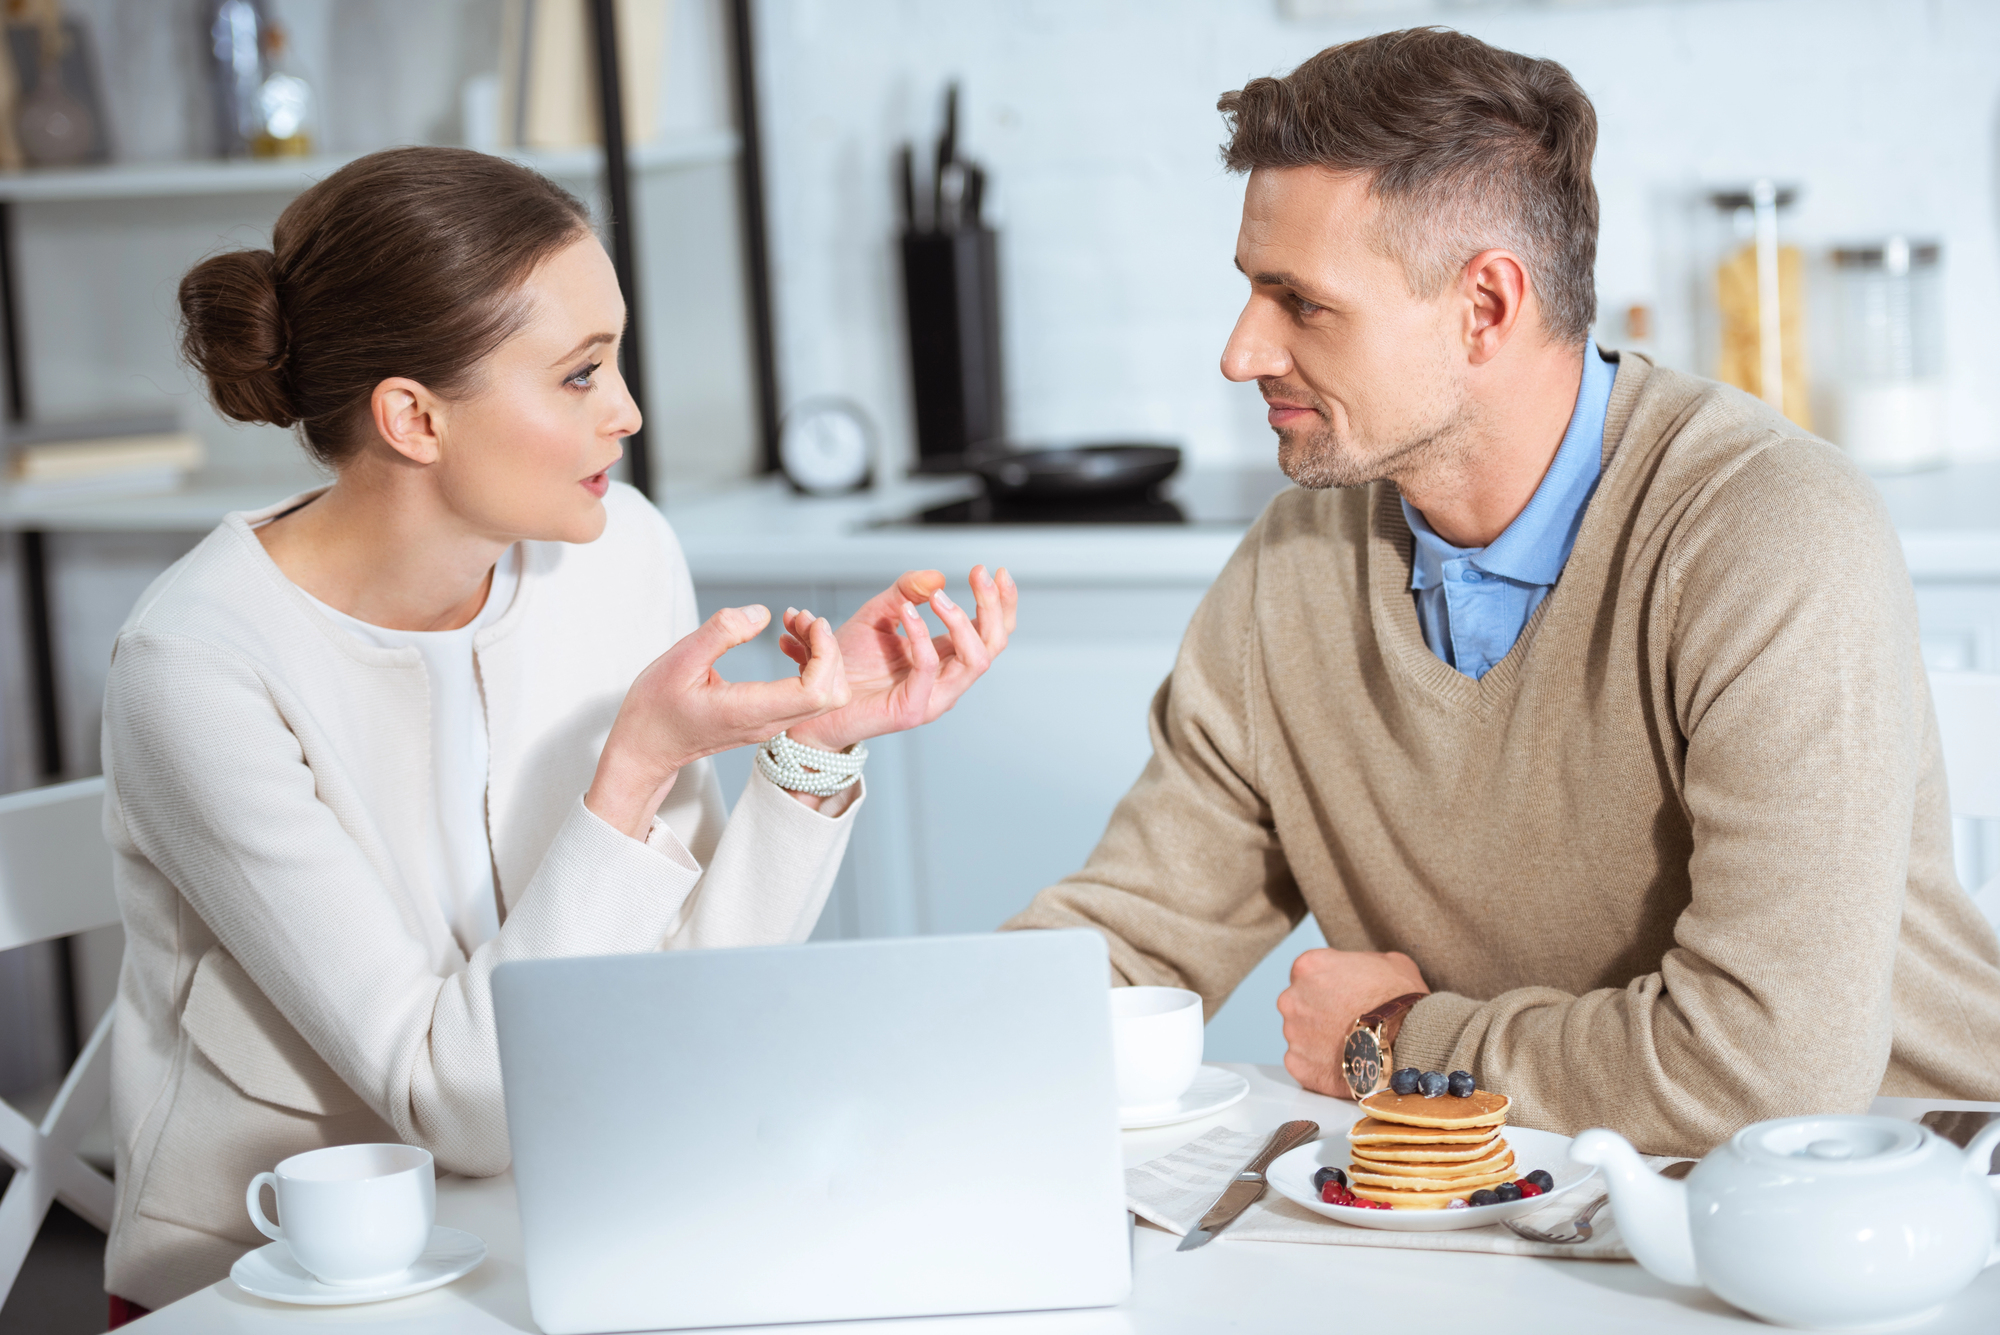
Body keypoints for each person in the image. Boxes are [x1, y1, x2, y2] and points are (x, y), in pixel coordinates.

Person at [1008, 27, 2000, 1154]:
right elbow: (1135, 933)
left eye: (1300, 302)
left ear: (1485, 306)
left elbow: (1768, 1071)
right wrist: (908, 1040)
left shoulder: (1767, 534)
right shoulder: (1295, 566)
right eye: (1250, 290)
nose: (1241, 352)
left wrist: (1392, 1040)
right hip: (1531, 1199)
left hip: (1892, 1195)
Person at [101, 146, 1017, 1313]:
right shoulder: (197, 664)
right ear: (412, 417)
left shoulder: (617, 553)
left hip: (573, 1220)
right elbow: (462, 1105)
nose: (628, 413)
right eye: (580, 375)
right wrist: (633, 768)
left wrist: (814, 743)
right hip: (275, 1284)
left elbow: (689, 1007)